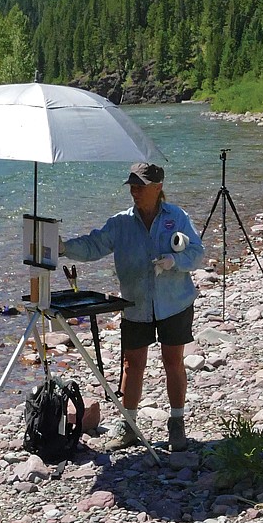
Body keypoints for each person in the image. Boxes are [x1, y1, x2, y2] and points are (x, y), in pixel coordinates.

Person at [59, 163, 204, 452]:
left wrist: (175, 262)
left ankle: (176, 424)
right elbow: (93, 246)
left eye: (141, 186)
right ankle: (129, 425)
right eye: (132, 186)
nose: (135, 191)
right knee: (132, 363)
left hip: (174, 303)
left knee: (172, 362)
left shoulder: (177, 217)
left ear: (158, 187)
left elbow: (196, 253)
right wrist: (62, 247)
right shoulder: (120, 222)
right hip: (135, 305)